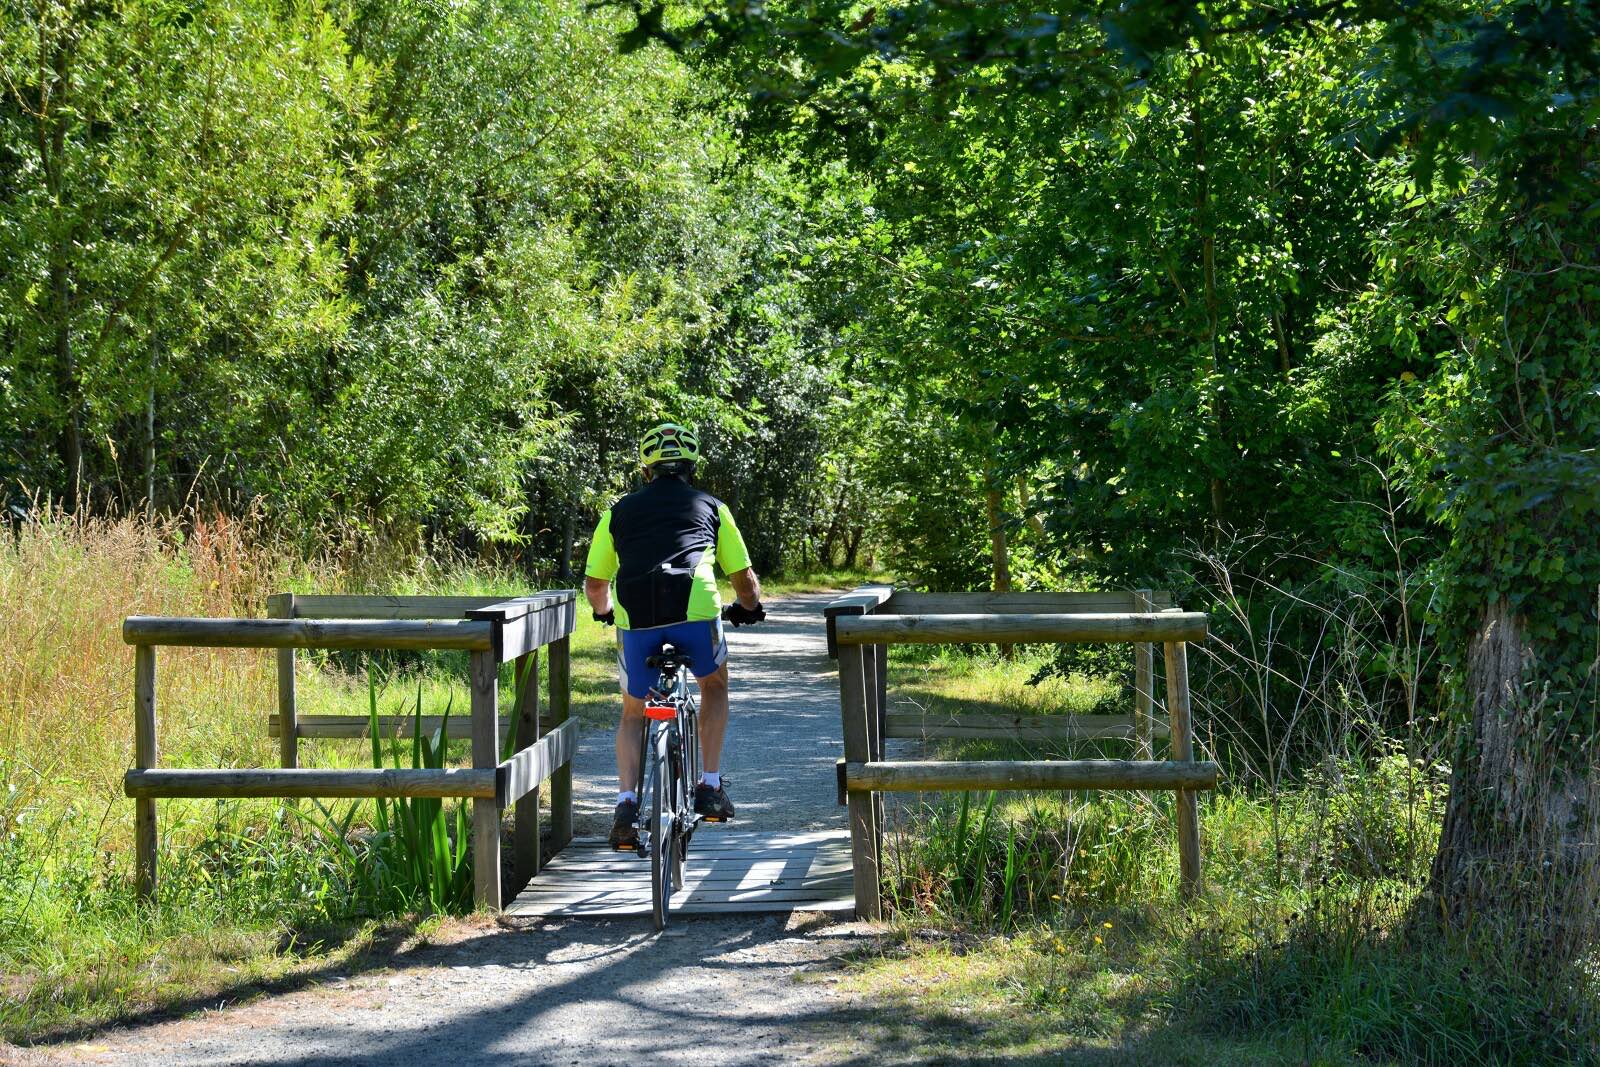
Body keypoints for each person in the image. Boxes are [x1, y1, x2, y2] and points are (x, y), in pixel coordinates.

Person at [583, 422, 766, 850]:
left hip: (637, 614)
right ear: (691, 466)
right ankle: (710, 785)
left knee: (632, 712)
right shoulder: (711, 506)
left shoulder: (619, 511)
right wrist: (749, 608)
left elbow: (595, 585)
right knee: (714, 685)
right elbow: (744, 579)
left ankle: (627, 804)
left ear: (646, 469)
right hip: (695, 608)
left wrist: (606, 612)